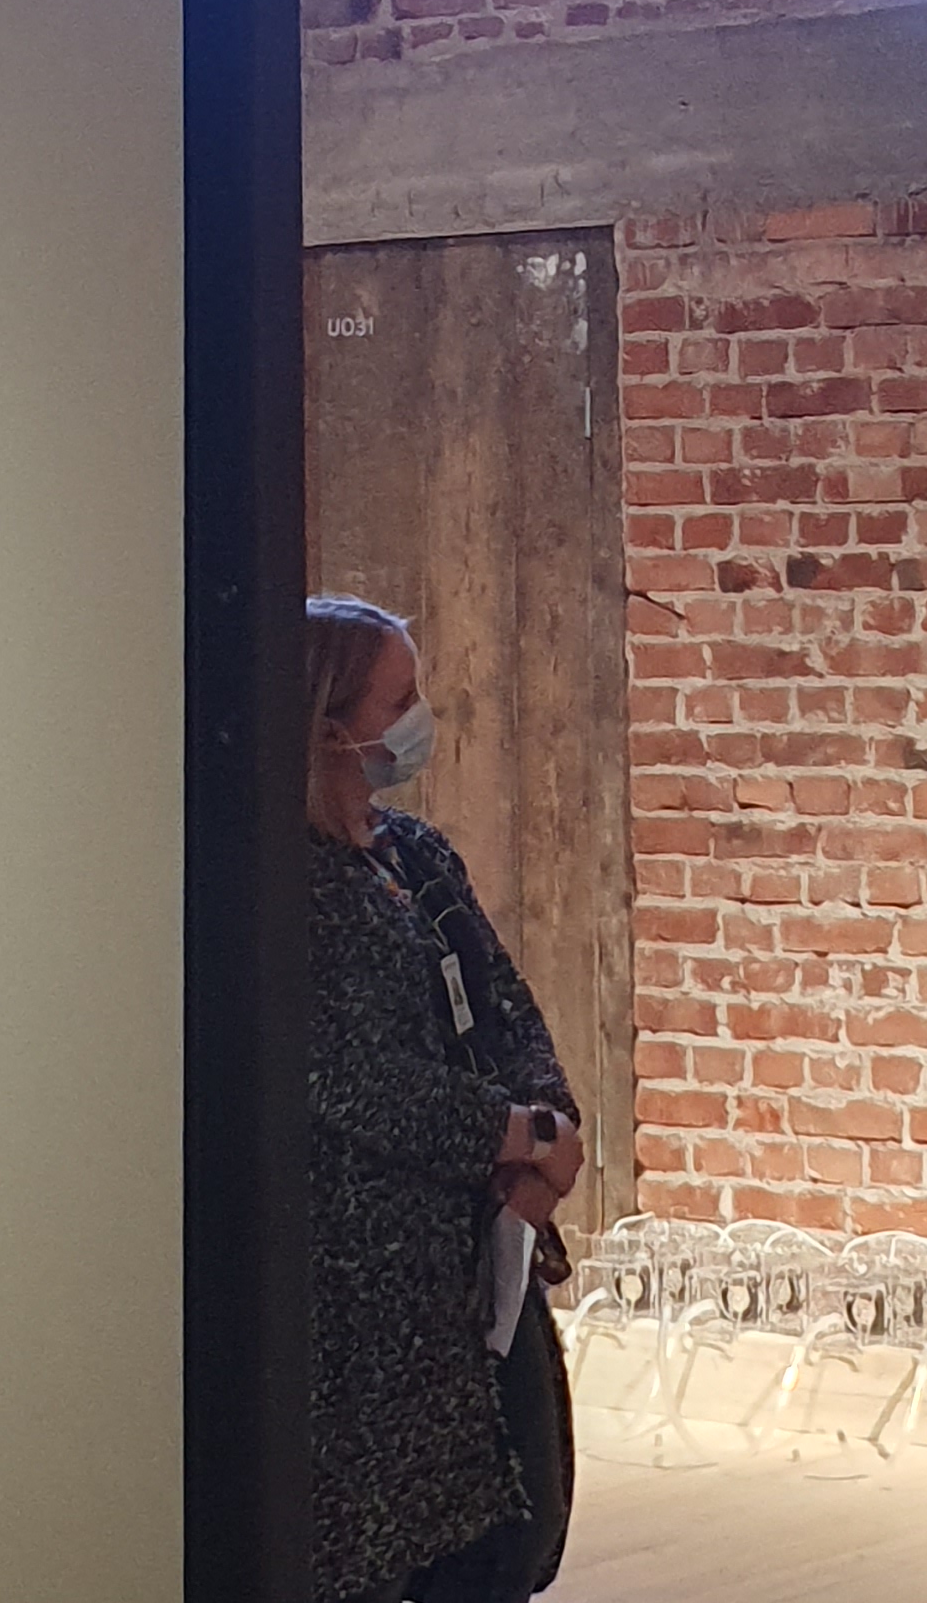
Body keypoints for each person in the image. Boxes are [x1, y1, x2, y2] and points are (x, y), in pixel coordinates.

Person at [307, 597, 585, 1603]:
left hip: (482, 1251)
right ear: (333, 725)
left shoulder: (413, 852)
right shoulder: (286, 884)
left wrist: (549, 1131)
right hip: (368, 1291)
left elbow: (505, 1004)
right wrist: (509, 1132)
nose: (423, 718)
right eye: (402, 699)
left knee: (516, 1524)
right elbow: (345, 1075)